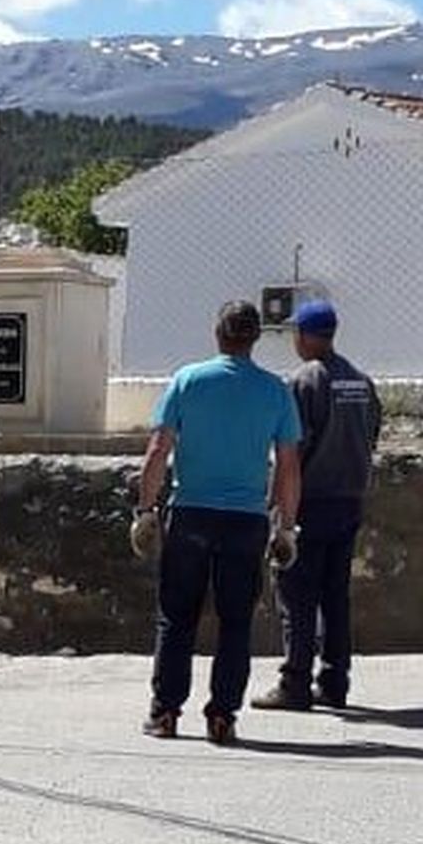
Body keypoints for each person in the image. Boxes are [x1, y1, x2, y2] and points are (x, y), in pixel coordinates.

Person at [130, 300, 301, 746]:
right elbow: (288, 466)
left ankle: (165, 711)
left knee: (176, 617)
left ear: (217, 333)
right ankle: (222, 715)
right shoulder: (275, 391)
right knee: (236, 621)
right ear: (255, 338)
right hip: (245, 521)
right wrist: (286, 526)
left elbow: (157, 451)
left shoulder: (188, 381)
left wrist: (146, 510)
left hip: (190, 514)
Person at [252, 299, 381, 712]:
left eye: (295, 333)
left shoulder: (305, 381)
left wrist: (276, 509)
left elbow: (291, 452)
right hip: (349, 501)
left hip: (309, 504)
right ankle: (335, 681)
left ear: (307, 336)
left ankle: (295, 683)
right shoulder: (360, 382)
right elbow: (373, 433)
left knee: (296, 595)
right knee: (335, 595)